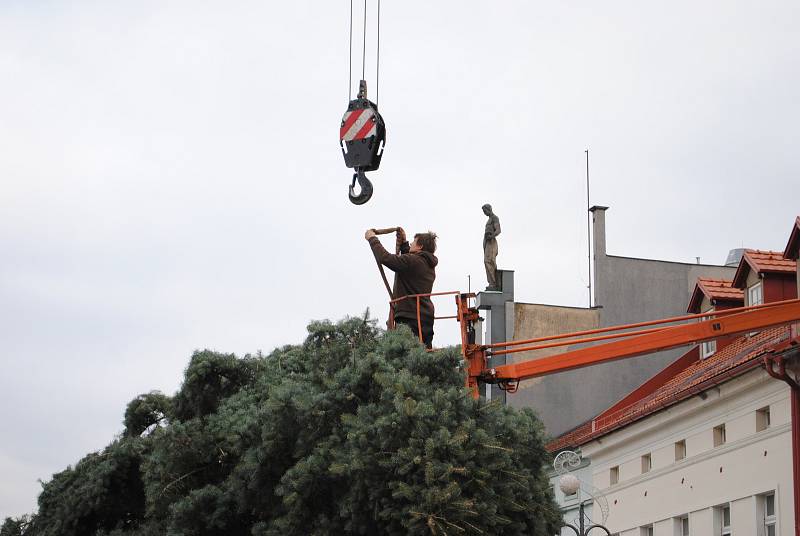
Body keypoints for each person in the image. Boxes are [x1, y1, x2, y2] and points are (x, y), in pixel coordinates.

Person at [365, 227, 438, 348]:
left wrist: (372, 239)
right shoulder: (427, 264)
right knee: (422, 355)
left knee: (404, 355)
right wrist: (404, 244)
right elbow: (408, 266)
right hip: (424, 318)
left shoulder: (414, 261)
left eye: (413, 242)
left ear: (420, 247)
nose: (411, 245)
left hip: (409, 318)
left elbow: (385, 258)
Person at [482, 203, 501, 290]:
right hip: (487, 243)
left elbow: (498, 230)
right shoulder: (489, 219)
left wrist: (491, 236)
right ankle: (491, 282)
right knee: (487, 261)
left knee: (489, 261)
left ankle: (494, 283)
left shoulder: (494, 218)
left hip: (491, 242)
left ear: (489, 209)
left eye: (485, 211)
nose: (484, 213)